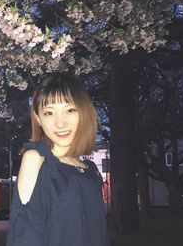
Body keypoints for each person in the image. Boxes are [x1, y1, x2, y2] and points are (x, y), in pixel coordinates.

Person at [6, 73, 109, 246]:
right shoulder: (36, 160)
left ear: (84, 112)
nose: (60, 123)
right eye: (49, 113)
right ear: (38, 118)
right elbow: (24, 233)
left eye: (70, 110)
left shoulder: (90, 170)